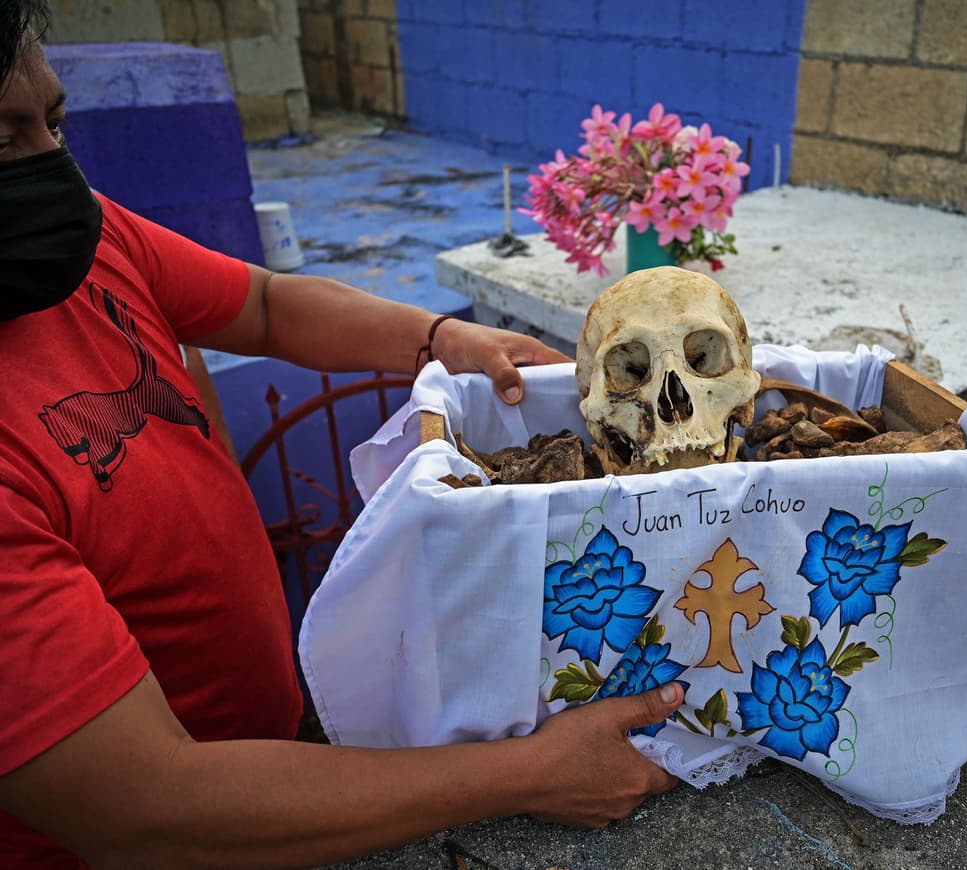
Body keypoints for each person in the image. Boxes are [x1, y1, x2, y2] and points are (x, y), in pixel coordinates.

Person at [0, 2, 685, 866]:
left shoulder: (85, 243)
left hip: (275, 750)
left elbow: (261, 303)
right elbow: (146, 805)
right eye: (2, 142)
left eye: (52, 125)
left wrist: (442, 339)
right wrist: (527, 774)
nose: (46, 168)